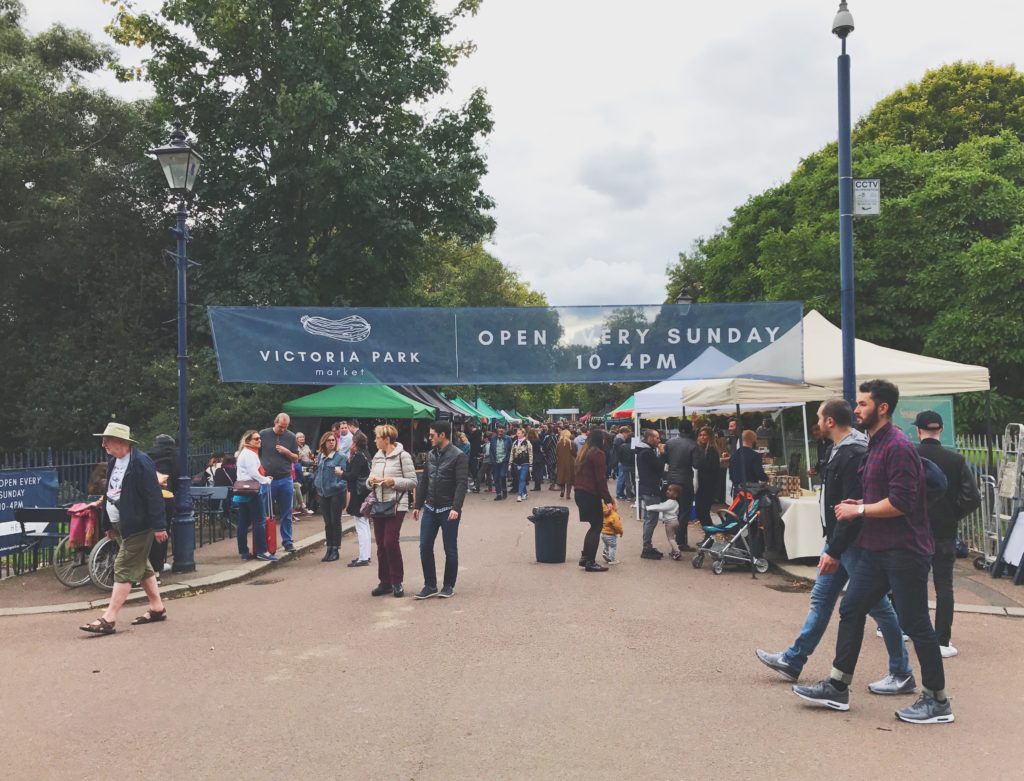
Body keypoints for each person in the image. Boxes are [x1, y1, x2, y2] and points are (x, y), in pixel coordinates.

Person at [793, 380, 954, 725]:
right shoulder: (876, 444)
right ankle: (837, 687)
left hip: (906, 551)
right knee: (851, 607)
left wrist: (860, 511)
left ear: (882, 408)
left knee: (916, 623)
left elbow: (902, 502)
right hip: (878, 550)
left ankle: (938, 701)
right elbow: (885, 495)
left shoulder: (897, 446)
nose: (856, 410)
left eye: (863, 404)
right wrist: (861, 502)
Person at [756, 398, 913, 694]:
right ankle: (794, 659)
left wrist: (834, 549)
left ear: (829, 422)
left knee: (876, 608)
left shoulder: (852, 452)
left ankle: (901, 671)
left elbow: (850, 506)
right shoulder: (845, 449)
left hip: (851, 544)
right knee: (829, 601)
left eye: (819, 417)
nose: (816, 422)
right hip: (844, 542)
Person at [79, 422, 169, 635]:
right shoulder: (113, 461)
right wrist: (109, 524)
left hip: (139, 524)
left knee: (123, 566)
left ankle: (108, 618)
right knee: (143, 567)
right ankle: (157, 608)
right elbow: (112, 492)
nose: (104, 445)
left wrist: (158, 526)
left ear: (121, 442)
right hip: (121, 523)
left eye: (106, 441)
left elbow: (153, 495)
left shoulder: (141, 462)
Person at [914, 410, 981, 658]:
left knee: (912, 582)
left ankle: (906, 629)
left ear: (918, 431)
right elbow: (972, 497)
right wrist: (953, 513)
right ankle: (942, 640)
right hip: (944, 529)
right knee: (944, 586)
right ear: (941, 430)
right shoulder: (956, 460)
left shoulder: (912, 456)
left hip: (914, 529)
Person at [414, 421, 469, 599]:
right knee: (425, 546)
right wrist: (417, 505)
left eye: (432, 435)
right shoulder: (430, 455)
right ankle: (430, 585)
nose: (429, 438)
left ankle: (448, 585)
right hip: (430, 508)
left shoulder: (458, 455)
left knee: (450, 549)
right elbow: (425, 481)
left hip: (448, 509)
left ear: (442, 435)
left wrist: (456, 508)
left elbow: (462, 483)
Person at [367, 424, 417, 597]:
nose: (375, 440)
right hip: (379, 503)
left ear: (386, 439)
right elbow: (368, 479)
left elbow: (412, 481)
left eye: (377, 437)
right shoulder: (377, 456)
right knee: (380, 544)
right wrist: (371, 481)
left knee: (390, 542)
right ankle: (385, 581)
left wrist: (393, 481)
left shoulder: (403, 456)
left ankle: (397, 581)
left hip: (396, 503)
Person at [259, 413, 300, 552]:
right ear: (275, 422)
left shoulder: (291, 437)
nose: (283, 429)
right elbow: (256, 453)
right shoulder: (263, 434)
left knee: (286, 512)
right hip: (268, 480)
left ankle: (287, 541)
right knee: (266, 512)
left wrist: (286, 451)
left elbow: (296, 458)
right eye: (281, 426)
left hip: (285, 478)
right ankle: (266, 542)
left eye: (285, 427)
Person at [573, 429, 612, 572]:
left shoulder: (584, 452)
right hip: (590, 493)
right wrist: (608, 499)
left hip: (580, 492)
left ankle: (585, 557)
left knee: (593, 526)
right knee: (596, 527)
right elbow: (600, 480)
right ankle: (590, 561)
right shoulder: (598, 454)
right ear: (601, 440)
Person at [233, 430, 275, 562]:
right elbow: (253, 473)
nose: (259, 441)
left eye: (259, 438)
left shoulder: (242, 454)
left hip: (242, 491)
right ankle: (262, 551)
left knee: (243, 523)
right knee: (260, 521)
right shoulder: (251, 454)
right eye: (256, 439)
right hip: (253, 490)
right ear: (248, 441)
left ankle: (244, 552)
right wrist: (266, 480)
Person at [146, 433, 177, 579]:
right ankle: (159, 564)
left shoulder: (148, 456)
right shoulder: (172, 457)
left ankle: (148, 563)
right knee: (163, 531)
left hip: (149, 495)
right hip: (166, 495)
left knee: (149, 532)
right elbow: (178, 477)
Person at [313, 431, 347, 562]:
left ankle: (335, 549)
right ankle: (329, 547)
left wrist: (337, 485)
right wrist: (317, 483)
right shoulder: (320, 456)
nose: (331, 442)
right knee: (327, 523)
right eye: (329, 440)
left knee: (335, 521)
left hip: (336, 492)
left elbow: (345, 475)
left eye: (333, 440)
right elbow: (317, 471)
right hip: (323, 492)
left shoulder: (340, 456)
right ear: (324, 442)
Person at [664, 421, 697, 552]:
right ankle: (680, 542)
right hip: (685, 481)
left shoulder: (669, 443)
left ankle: (673, 539)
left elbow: (665, 459)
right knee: (684, 512)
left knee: (672, 512)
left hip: (671, 479)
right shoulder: (693, 445)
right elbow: (696, 464)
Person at [636, 429, 666, 559]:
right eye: (657, 438)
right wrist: (663, 454)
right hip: (650, 489)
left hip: (646, 487)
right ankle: (646, 548)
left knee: (649, 519)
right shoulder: (647, 453)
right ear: (650, 438)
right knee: (651, 519)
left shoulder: (643, 451)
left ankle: (647, 545)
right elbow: (658, 467)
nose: (659, 440)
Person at [345, 432, 372, 567]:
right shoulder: (366, 455)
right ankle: (366, 555)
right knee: (365, 524)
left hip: (358, 492)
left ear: (355, 443)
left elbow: (352, 475)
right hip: (365, 491)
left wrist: (341, 474)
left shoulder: (358, 457)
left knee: (360, 525)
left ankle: (363, 557)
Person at [645, 484, 684, 560]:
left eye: (670, 490)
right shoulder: (675, 503)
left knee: (670, 538)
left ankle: (677, 551)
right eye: (667, 490)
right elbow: (663, 505)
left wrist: (649, 507)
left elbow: (661, 507)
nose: (667, 491)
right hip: (675, 521)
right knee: (674, 538)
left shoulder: (670, 502)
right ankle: (674, 551)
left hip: (670, 523)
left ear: (676, 494)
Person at [694, 427, 720, 526]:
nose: (702, 437)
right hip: (699, 486)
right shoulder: (699, 449)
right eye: (700, 435)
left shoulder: (711, 450)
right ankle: (708, 535)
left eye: (705, 435)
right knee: (700, 512)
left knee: (703, 512)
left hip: (708, 487)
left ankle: (709, 536)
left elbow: (710, 468)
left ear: (709, 437)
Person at [510, 427, 533, 502]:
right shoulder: (515, 442)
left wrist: (530, 465)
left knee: (522, 478)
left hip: (525, 463)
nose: (517, 434)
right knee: (520, 479)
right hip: (516, 463)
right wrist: (510, 463)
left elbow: (530, 454)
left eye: (519, 433)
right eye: (517, 433)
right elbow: (511, 453)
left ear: (523, 434)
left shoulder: (527, 443)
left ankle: (519, 495)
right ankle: (525, 493)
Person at [490, 426, 512, 501]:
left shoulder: (508, 439)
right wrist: (492, 460)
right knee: (496, 478)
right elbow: (491, 450)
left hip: (504, 460)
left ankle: (504, 490)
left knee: (502, 475)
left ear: (504, 431)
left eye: (502, 432)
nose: (500, 433)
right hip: (495, 461)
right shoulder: (493, 439)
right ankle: (498, 494)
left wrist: (509, 459)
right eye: (499, 431)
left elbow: (510, 450)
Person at [600, 499, 624, 565]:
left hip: (603, 533)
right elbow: (617, 526)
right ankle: (612, 559)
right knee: (612, 546)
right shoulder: (614, 515)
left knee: (606, 544)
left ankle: (605, 553)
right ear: (613, 505)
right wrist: (621, 532)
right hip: (610, 534)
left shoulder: (603, 514)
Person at [555, 428, 576, 500]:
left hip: (561, 462)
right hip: (570, 462)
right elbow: (574, 453)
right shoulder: (571, 443)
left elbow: (557, 453)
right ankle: (568, 495)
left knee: (562, 477)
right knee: (569, 479)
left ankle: (562, 490)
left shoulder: (558, 443)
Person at [614, 428, 634, 500]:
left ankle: (621, 493)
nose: (627, 435)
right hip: (624, 463)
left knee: (623, 479)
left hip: (623, 463)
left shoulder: (619, 439)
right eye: (627, 433)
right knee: (622, 479)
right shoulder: (620, 440)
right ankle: (619, 494)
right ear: (624, 432)